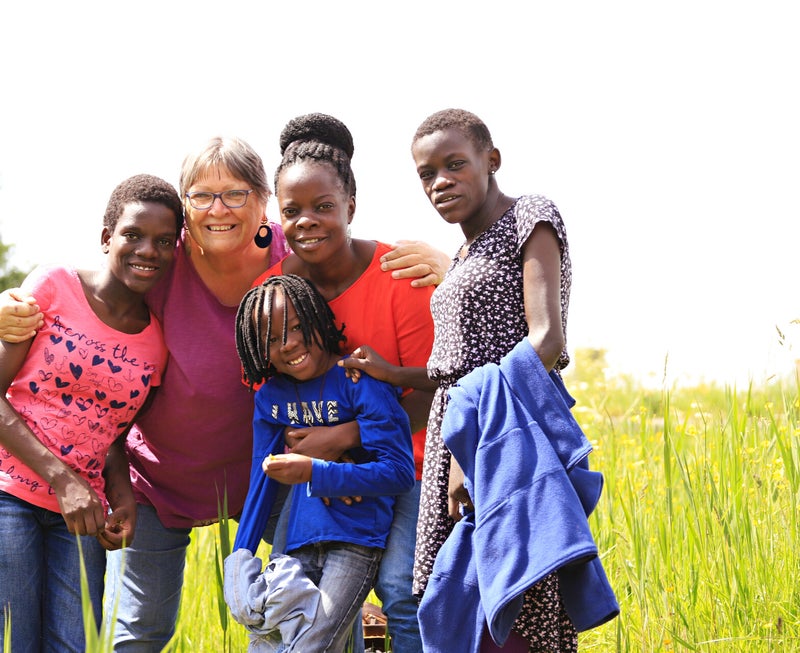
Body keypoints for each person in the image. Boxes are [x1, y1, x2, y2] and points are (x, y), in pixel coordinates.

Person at [0, 134, 445, 650]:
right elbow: (92, 301)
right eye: (201, 196)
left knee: (304, 616)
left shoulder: (292, 258)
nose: (219, 209)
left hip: (276, 476)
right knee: (141, 630)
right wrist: (14, 305)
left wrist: (448, 264)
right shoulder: (162, 258)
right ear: (184, 209)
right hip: (159, 482)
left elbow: (342, 248)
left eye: (235, 194)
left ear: (262, 203)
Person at [253, 113, 437, 652]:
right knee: (310, 598)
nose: (307, 221)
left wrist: (347, 439)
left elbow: (430, 389)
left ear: (350, 205)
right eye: (292, 212)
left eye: (324, 207)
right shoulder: (274, 292)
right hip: (310, 471)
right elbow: (269, 396)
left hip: (405, 462)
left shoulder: (399, 275)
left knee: (401, 588)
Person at [409, 109, 583, 652]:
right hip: (457, 437)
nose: (441, 182)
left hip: (504, 440)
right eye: (427, 173)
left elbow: (546, 340)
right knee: (465, 603)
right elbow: (452, 365)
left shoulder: (528, 216)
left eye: (455, 164)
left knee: (514, 596)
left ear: (492, 160)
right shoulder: (464, 253)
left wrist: (471, 450)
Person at [0, 174, 182, 652]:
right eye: (134, 235)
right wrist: (62, 479)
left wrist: (121, 497)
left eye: (164, 242)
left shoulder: (157, 344)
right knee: (14, 641)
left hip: (81, 517)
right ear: (107, 238)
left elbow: (112, 435)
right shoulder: (54, 285)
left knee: (74, 644)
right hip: (9, 498)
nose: (148, 250)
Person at [225, 274, 415, 652]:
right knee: (269, 639)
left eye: (297, 327)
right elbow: (261, 481)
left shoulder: (359, 380)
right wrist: (239, 559)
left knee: (314, 645)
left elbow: (399, 472)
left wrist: (317, 472)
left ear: (319, 318)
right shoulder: (270, 399)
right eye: (273, 339)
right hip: (296, 542)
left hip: (356, 542)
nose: (290, 343)